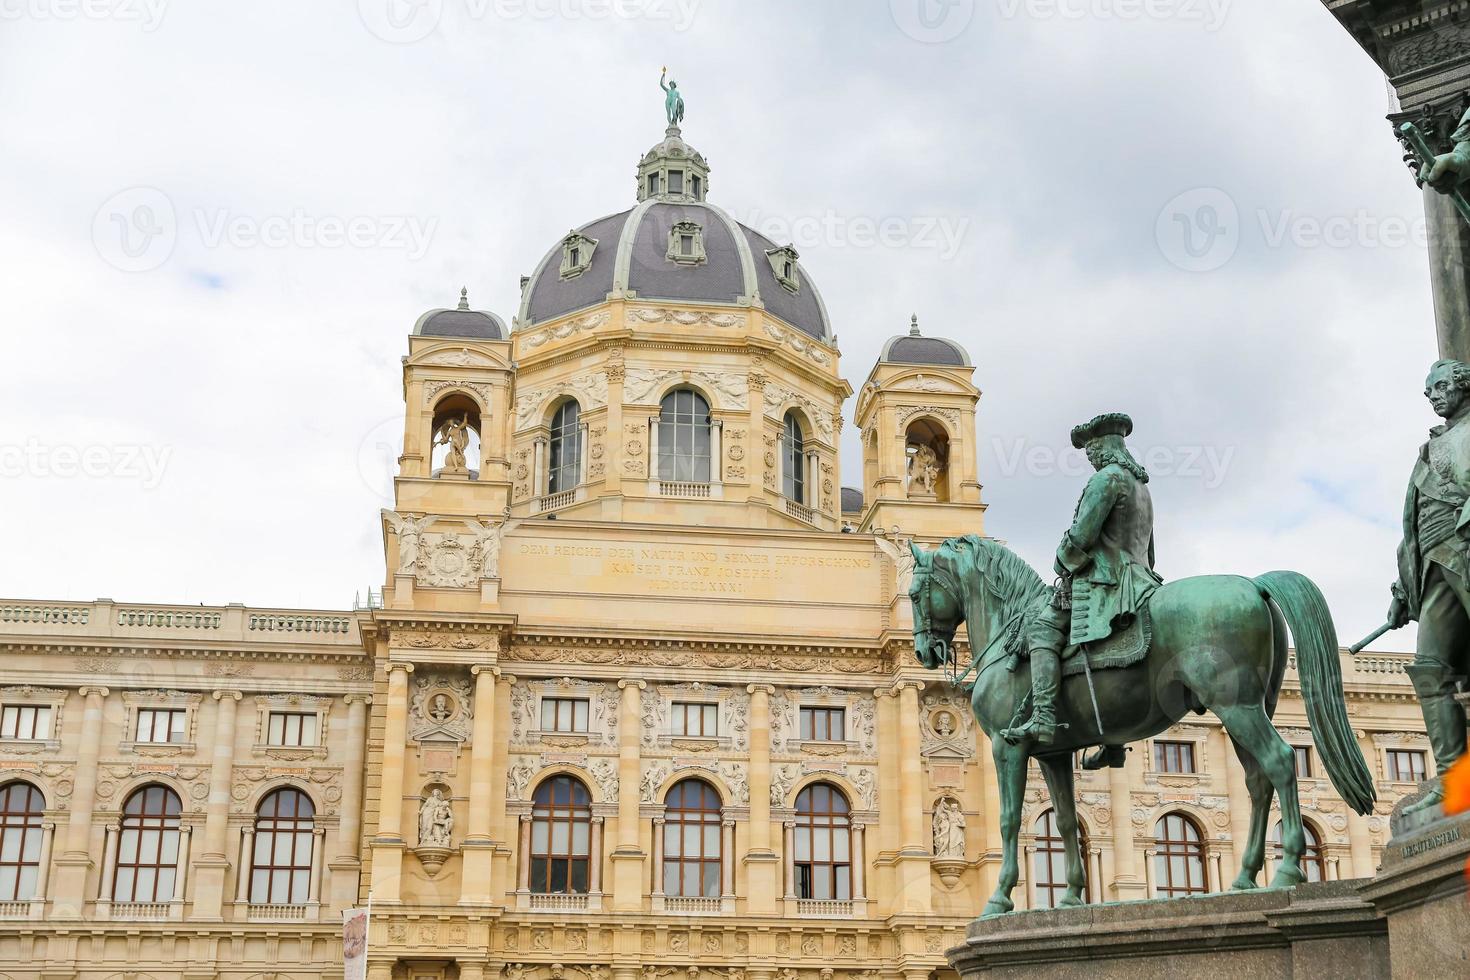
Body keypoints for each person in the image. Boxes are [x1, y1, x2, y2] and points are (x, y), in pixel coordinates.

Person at [1001, 413, 1160, 746]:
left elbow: (1083, 535)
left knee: (1043, 628)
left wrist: (1062, 559)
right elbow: (1149, 547)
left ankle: (1043, 716)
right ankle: (1112, 745)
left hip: (1108, 582)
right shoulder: (1140, 486)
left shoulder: (1107, 480)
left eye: (1091, 451)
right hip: (1142, 578)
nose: (1090, 459)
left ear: (1103, 448)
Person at [1387, 359, 1470, 815]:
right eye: (1428, 391)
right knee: (1430, 669)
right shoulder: (1429, 449)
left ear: (1462, 386)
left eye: (1440, 387)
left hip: (1466, 551)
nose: (1433, 396)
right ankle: (1453, 779)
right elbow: (1413, 527)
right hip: (1435, 564)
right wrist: (1404, 588)